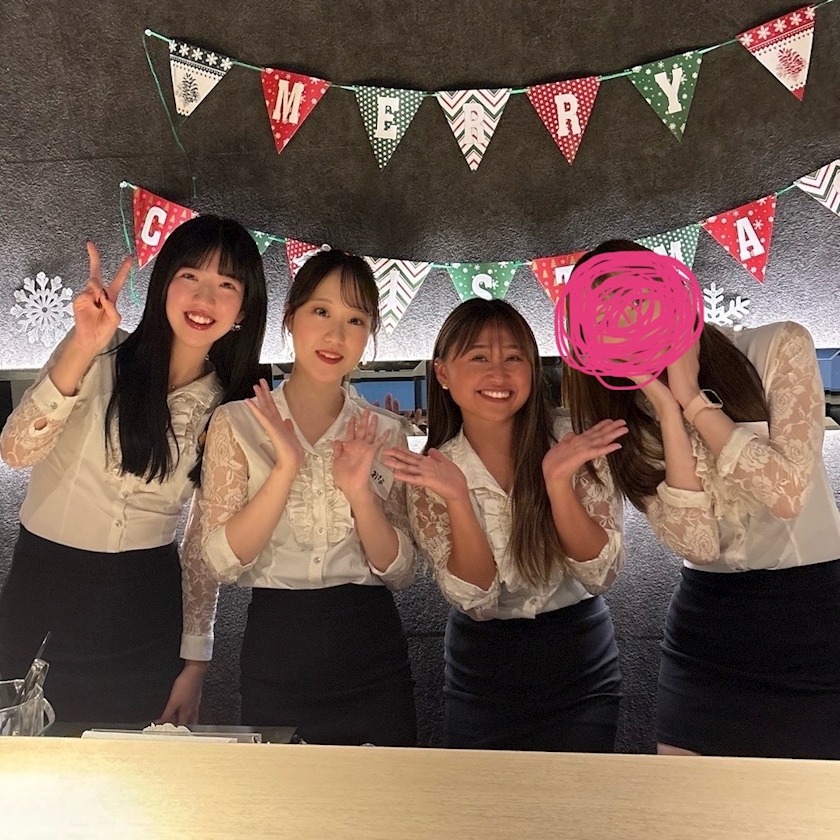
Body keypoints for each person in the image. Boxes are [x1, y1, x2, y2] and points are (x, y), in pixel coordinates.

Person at [564, 239, 840, 759]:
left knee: (811, 801)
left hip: (814, 616)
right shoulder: (624, 413)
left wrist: (692, 400)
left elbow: (787, 495)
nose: (628, 321)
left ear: (668, 292)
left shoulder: (776, 346)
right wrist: (668, 412)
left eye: (635, 299)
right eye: (604, 317)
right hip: (708, 623)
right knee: (686, 799)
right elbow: (699, 544)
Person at [0, 215, 268, 724]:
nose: (204, 298)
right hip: (44, 590)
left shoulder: (228, 405)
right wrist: (84, 344)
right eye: (190, 275)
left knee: (134, 759)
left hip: (145, 605)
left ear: (242, 310)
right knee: (25, 751)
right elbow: (16, 451)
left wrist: (195, 662)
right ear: (164, 283)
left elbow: (200, 543)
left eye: (226, 285)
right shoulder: (99, 350)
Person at [192, 249, 417, 746]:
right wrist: (285, 468)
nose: (336, 335)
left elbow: (400, 571)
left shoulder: (385, 432)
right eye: (321, 311)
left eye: (355, 320)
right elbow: (222, 562)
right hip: (277, 649)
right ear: (291, 317)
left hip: (372, 651)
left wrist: (359, 493)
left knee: (384, 795)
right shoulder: (237, 423)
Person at [383, 298, 626, 751]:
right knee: (484, 797)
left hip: (579, 655)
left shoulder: (574, 440)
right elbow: (475, 598)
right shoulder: (434, 471)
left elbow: (600, 573)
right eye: (479, 358)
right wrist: (457, 497)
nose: (498, 374)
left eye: (514, 358)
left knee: (581, 794)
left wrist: (557, 481)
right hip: (482, 665)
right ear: (443, 373)